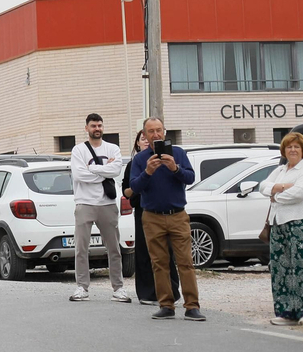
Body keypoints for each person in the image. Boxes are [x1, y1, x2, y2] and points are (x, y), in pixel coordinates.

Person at [128, 117, 203, 321]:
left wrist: (175, 168)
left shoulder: (178, 153)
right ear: (144, 135)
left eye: (159, 130)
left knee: (185, 262)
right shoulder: (140, 159)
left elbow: (190, 178)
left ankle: (192, 306)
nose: (155, 135)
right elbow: (133, 187)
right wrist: (148, 172)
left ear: (165, 132)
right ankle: (166, 305)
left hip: (177, 215)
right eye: (151, 131)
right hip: (152, 217)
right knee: (159, 263)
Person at [68, 112, 131, 303]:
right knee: (81, 248)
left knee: (114, 248)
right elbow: (79, 176)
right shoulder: (78, 150)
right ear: (86, 128)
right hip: (84, 203)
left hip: (108, 204)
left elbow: (116, 170)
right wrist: (104, 171)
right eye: (94, 126)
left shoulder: (112, 148)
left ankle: (118, 288)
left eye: (100, 125)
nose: (97, 129)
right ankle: (82, 287)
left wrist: (92, 169)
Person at [261, 132, 303, 326]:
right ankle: (286, 311)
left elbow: (300, 193)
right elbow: (263, 186)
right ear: (284, 150)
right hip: (279, 223)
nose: (293, 150)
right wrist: (280, 186)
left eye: (296, 147)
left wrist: (276, 195)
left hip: (302, 222)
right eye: (289, 147)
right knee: (281, 268)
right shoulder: (280, 170)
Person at [123, 129, 179, 305]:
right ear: (138, 143)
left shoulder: (168, 160)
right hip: (143, 210)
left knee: (167, 252)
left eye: (149, 138)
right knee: (145, 252)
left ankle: (171, 292)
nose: (147, 141)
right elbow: (127, 191)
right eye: (143, 138)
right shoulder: (134, 164)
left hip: (165, 210)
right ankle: (147, 293)